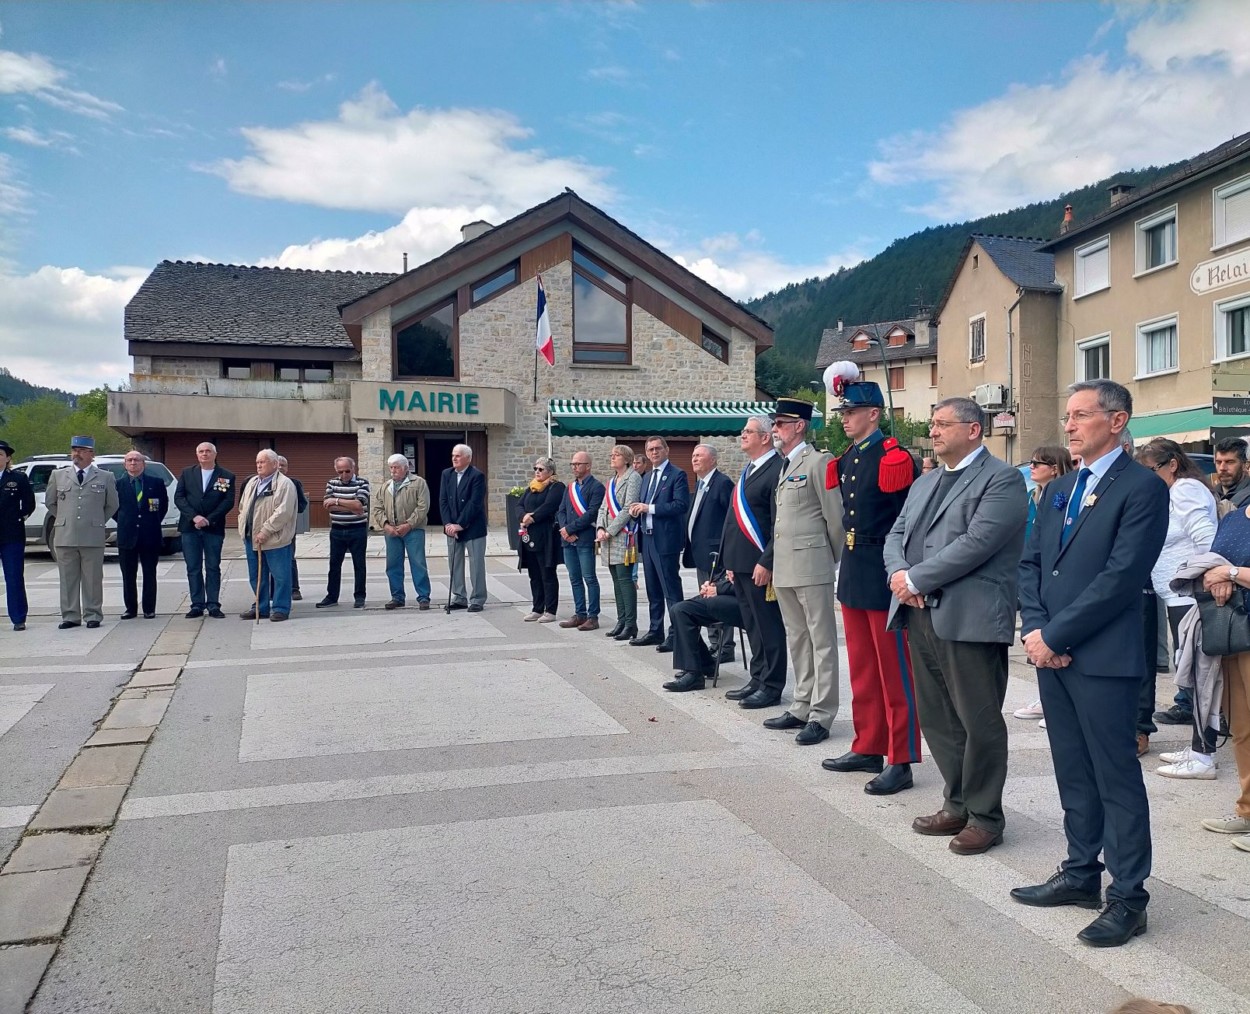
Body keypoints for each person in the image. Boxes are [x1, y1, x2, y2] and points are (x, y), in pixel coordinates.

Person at [1015, 379, 1169, 948]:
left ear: (1118, 420)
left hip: (1102, 657)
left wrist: (1055, 633)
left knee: (1115, 777)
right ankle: (1081, 872)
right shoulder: (1060, 489)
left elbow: (1121, 578)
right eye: (1068, 415)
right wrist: (1035, 631)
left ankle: (1128, 897)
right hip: (1050, 652)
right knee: (1073, 769)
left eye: (1081, 415)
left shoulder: (1143, 489)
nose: (1069, 425)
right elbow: (1031, 563)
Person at [884, 397, 1027, 851]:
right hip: (919, 611)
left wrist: (917, 577)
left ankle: (986, 817)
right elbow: (895, 534)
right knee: (939, 717)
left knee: (978, 718)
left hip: (969, 616)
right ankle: (957, 802)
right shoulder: (925, 481)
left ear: (974, 430)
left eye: (943, 423)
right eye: (933, 423)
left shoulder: (1001, 479)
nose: (934, 430)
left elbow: (978, 542)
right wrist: (899, 576)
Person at [821, 365, 922, 795]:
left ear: (875, 414)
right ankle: (868, 745)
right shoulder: (848, 457)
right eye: (844, 410)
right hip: (855, 566)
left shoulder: (894, 458)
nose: (845, 417)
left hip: (884, 569)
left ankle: (900, 757)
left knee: (894, 671)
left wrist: (905, 572)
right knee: (862, 668)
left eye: (854, 410)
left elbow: (910, 521)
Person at [762, 398, 844, 746]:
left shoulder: (819, 461)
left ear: (799, 426)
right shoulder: (784, 464)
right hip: (786, 566)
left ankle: (822, 714)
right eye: (775, 424)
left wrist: (828, 558)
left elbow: (835, 519)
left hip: (812, 565)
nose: (775, 429)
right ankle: (801, 704)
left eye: (781, 423)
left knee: (821, 641)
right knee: (797, 638)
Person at [1135, 439, 1219, 776]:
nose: (1148, 478)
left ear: (1172, 464)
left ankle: (1204, 755)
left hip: (1191, 596)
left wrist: (1209, 578)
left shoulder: (1185, 489)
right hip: (1176, 595)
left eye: (1151, 470)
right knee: (1191, 675)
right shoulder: (1170, 492)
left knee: (1200, 677)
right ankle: (1199, 746)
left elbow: (1207, 539)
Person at [1194, 498, 1250, 855]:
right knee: (1242, 727)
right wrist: (1213, 577)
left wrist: (1228, 574)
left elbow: (1223, 569)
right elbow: (1210, 563)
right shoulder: (1235, 516)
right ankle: (1247, 810)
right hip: (1235, 630)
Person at [720, 415, 788, 708]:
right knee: (752, 624)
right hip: (742, 563)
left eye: (748, 431)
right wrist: (730, 562)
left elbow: (778, 523)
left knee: (768, 625)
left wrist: (768, 561)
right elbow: (734, 521)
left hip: (761, 564)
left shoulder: (777, 469)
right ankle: (758, 677)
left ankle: (772, 685)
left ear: (765, 437)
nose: (742, 435)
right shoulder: (750, 469)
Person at [1013, 445, 1074, 723]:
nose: (1032, 467)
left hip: (1055, 574)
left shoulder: (1064, 494)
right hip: (1031, 570)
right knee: (1035, 629)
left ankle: (1056, 700)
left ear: (1054, 467)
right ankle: (1046, 696)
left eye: (1038, 463)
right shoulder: (1032, 496)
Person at [46, 435, 119, 630]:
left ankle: (93, 614)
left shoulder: (105, 476)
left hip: (92, 536)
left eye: (81, 450)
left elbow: (112, 504)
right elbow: (51, 502)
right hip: (65, 535)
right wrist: (63, 519)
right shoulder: (58, 475)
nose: (76, 454)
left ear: (91, 454)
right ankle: (70, 615)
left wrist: (96, 521)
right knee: (68, 578)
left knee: (93, 578)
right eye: (74, 450)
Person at [627, 436, 689, 649]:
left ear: (667, 450)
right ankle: (655, 630)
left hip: (666, 540)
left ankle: (676, 633)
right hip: (648, 538)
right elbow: (644, 506)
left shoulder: (677, 474)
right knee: (653, 589)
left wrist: (649, 508)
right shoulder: (646, 477)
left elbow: (680, 505)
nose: (654, 452)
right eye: (650, 449)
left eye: (658, 448)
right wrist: (636, 510)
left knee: (670, 589)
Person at [680, 443, 734, 660]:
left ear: (713, 460)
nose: (693, 459)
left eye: (699, 456)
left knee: (719, 599)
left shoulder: (722, 483)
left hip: (716, 555)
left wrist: (726, 550)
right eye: (692, 455)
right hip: (701, 554)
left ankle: (725, 647)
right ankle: (715, 643)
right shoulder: (700, 484)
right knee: (707, 599)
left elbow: (731, 519)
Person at [174, 442, 236, 619]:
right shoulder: (187, 473)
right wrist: (194, 517)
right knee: (193, 567)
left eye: (208, 451)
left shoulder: (226, 476)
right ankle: (197, 604)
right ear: (197, 455)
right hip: (190, 528)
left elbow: (227, 502)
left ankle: (213, 604)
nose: (205, 454)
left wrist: (208, 519)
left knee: (212, 567)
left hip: (213, 528)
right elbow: (179, 498)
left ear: (215, 454)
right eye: (201, 451)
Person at [237, 449, 297, 622]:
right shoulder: (252, 482)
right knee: (256, 576)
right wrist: (243, 527)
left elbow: (283, 512)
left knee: (280, 575)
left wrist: (265, 530)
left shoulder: (284, 484)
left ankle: (280, 608)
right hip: (251, 538)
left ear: (275, 464)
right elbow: (243, 506)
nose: (259, 465)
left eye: (263, 462)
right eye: (257, 462)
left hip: (274, 539)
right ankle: (260, 606)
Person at [661, 572, 743, 692]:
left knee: (682, 610)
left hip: (742, 598)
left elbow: (747, 581)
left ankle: (694, 673)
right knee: (676, 610)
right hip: (726, 591)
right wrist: (711, 585)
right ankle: (705, 664)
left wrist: (718, 589)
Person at [595, 445, 642, 641]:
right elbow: (602, 507)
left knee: (625, 580)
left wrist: (610, 530)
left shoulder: (633, 478)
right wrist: (599, 527)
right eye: (612, 455)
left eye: (617, 455)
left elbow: (628, 507)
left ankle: (631, 624)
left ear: (627, 458)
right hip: (608, 537)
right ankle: (621, 620)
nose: (612, 458)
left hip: (623, 535)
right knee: (616, 580)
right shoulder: (612, 480)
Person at [114, 450, 168, 620]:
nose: (133, 463)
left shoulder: (156, 483)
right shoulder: (118, 484)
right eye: (129, 460)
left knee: (149, 573)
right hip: (127, 535)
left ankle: (149, 608)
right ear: (124, 464)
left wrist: (150, 522)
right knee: (128, 575)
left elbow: (162, 507)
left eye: (136, 460)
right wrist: (125, 521)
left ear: (143, 464)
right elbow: (114, 509)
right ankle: (130, 608)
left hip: (149, 535)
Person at [373, 454, 431, 610]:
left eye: (396, 467)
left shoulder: (418, 483)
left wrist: (409, 524)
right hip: (392, 532)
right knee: (393, 565)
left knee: (418, 563)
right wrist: (385, 525)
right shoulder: (386, 486)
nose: (393, 470)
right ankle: (397, 597)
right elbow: (377, 508)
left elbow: (423, 507)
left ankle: (423, 597)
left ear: (406, 468)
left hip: (413, 531)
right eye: (391, 467)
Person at [556, 449, 605, 630]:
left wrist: (570, 528)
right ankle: (580, 613)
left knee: (589, 578)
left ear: (588, 466)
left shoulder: (597, 487)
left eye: (578, 464)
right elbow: (561, 510)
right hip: (568, 540)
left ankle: (593, 616)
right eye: (573, 464)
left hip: (584, 538)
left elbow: (592, 513)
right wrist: (564, 530)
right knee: (574, 578)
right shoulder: (570, 487)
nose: (575, 467)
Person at [318, 456, 372, 609]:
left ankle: (360, 596)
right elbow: (327, 506)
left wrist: (336, 501)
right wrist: (351, 506)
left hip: (358, 529)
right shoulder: (331, 483)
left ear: (353, 469)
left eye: (347, 471)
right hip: (337, 529)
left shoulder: (363, 483)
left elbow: (359, 504)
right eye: (340, 472)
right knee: (334, 565)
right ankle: (332, 596)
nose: (344, 475)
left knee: (359, 565)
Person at [440, 444, 487, 612]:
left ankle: (478, 598)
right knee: (455, 563)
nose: (454, 458)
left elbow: (474, 504)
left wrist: (460, 524)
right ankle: (459, 597)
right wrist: (448, 524)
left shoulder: (477, 476)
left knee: (476, 564)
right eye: (453, 455)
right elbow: (443, 501)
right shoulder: (447, 474)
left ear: (468, 458)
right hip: (452, 528)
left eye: (458, 455)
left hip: (473, 527)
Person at [517, 457, 565, 622]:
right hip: (529, 536)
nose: (537, 472)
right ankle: (537, 608)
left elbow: (550, 506)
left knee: (547, 573)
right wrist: (523, 516)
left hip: (546, 536)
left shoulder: (556, 486)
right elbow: (519, 505)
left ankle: (550, 610)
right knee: (534, 574)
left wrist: (533, 517)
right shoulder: (531, 487)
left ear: (550, 472)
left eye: (541, 469)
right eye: (535, 469)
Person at [0, 439, 36, 631]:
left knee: (14, 577)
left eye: (0, 454)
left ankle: (18, 618)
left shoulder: (18, 479)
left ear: (7, 458)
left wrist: (18, 517)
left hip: (11, 535)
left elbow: (29, 504)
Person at [276, 456, 308, 601]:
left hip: (287, 528)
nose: (280, 468)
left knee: (289, 558)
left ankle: (294, 589)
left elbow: (302, 505)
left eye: (283, 465)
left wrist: (288, 510)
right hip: (266, 529)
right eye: (277, 465)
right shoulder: (261, 483)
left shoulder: (294, 484)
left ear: (287, 468)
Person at [1212, 435, 1250, 520]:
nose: (1222, 468)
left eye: (1229, 462)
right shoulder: (1210, 494)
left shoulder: (1247, 497)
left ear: (1245, 465)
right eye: (1218, 462)